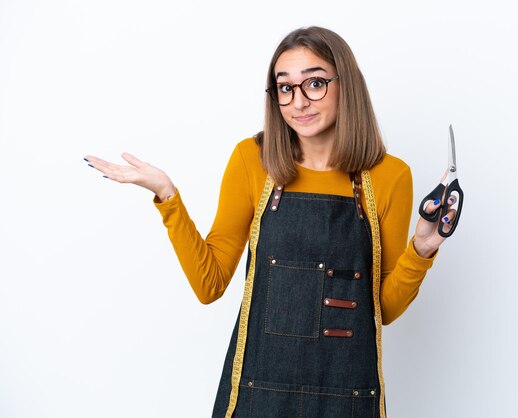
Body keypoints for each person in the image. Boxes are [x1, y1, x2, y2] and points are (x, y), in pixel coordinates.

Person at [85, 26, 457, 418]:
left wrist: (422, 250)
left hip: (347, 399)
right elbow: (209, 285)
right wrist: (167, 197)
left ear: (346, 85)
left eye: (315, 83)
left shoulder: (389, 176)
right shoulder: (252, 160)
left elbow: (381, 309)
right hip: (257, 394)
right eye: (285, 88)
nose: (298, 101)